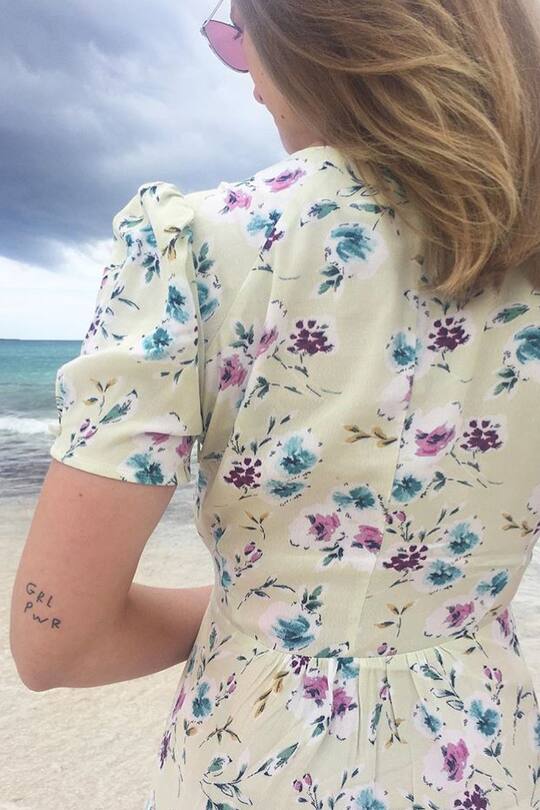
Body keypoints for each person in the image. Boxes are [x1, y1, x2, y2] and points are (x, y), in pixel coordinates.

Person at [10, 0, 540, 807]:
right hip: (486, 759)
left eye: (240, 36)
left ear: (314, 33)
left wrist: (265, 617)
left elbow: (58, 643)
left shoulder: (195, 245)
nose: (251, 82)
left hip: (253, 769)